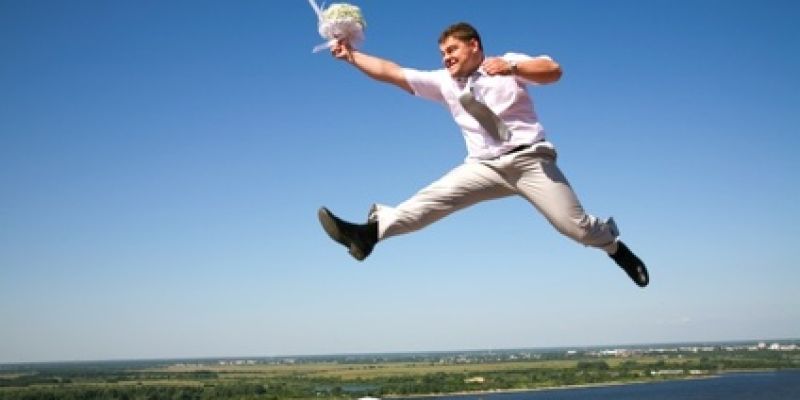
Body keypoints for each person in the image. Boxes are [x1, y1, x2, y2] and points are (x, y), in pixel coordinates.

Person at [317, 22, 649, 287]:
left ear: (474, 45)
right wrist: (351, 56)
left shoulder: (507, 65)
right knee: (429, 201)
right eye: (442, 52)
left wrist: (512, 66)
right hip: (484, 167)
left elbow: (553, 71)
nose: (446, 57)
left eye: (452, 49)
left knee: (575, 228)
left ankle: (614, 248)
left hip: (530, 161)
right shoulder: (444, 83)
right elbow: (392, 72)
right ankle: (367, 234)